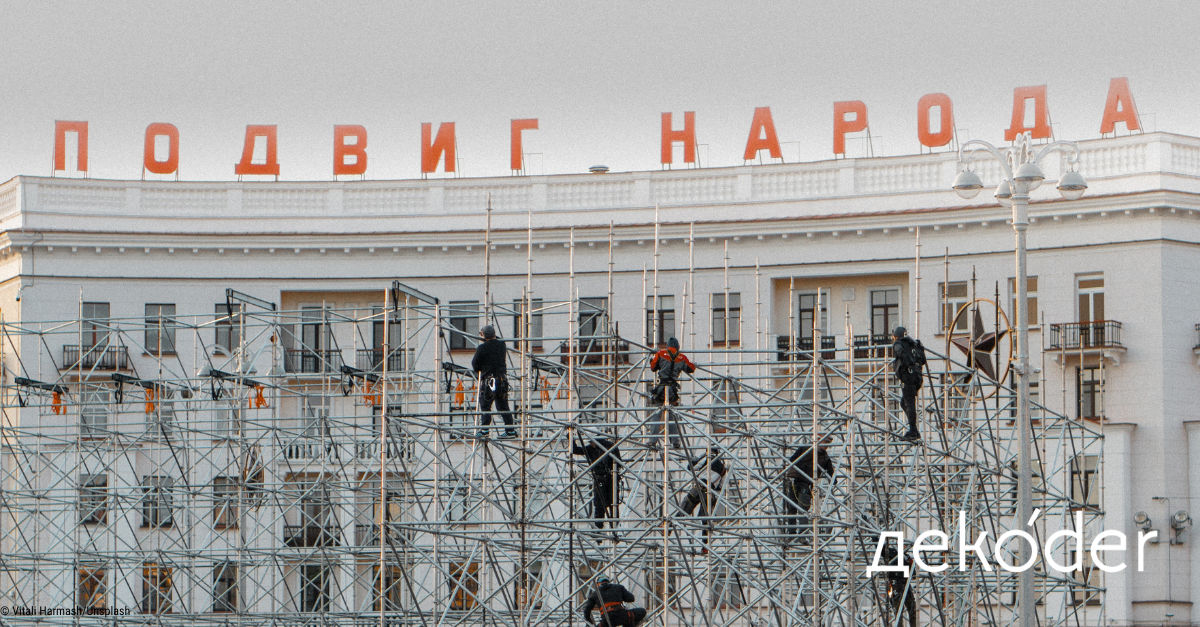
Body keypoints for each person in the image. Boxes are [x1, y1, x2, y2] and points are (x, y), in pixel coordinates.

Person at [781, 437, 835, 538]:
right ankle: (792, 533)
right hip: (794, 479)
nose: (826, 446)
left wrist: (833, 480)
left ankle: (802, 534)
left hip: (806, 483)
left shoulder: (824, 456)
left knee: (803, 508)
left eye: (827, 444)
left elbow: (830, 471)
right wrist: (802, 468)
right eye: (824, 443)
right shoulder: (805, 449)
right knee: (791, 508)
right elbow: (793, 459)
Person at [472, 325, 516, 439]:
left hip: (489, 381)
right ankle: (510, 430)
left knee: (485, 405)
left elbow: (475, 365)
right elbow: (498, 339)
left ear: (483, 335)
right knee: (502, 405)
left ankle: (485, 430)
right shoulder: (502, 344)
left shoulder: (482, 348)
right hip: (501, 380)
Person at [679, 448, 728, 552]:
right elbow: (722, 486)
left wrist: (696, 459)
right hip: (710, 493)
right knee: (706, 520)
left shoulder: (706, 459)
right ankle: (705, 546)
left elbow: (691, 467)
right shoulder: (723, 469)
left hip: (699, 488)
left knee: (685, 507)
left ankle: (669, 526)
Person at [572, 436, 621, 529]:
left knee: (613, 504)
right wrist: (571, 440)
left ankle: (614, 527)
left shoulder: (609, 446)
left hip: (611, 479)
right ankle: (598, 530)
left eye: (591, 441)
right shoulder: (591, 448)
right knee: (599, 506)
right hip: (599, 479)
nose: (590, 444)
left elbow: (618, 462)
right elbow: (577, 450)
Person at [891, 326, 925, 441]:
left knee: (909, 403)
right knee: (904, 402)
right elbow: (923, 360)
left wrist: (906, 364)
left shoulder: (898, 343)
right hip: (917, 377)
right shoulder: (914, 345)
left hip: (908, 377)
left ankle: (913, 431)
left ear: (896, 336)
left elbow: (901, 353)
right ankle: (913, 428)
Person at [582, 574, 646, 627]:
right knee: (642, 611)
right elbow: (631, 598)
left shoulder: (595, 593)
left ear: (597, 584)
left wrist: (589, 620)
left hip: (607, 621)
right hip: (622, 616)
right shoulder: (619, 587)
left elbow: (586, 610)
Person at [649, 337, 695, 407]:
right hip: (672, 390)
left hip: (661, 388)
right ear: (678, 347)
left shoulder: (660, 354)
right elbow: (691, 369)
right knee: (671, 410)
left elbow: (653, 368)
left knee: (657, 409)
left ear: (667, 346)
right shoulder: (682, 357)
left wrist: (652, 362)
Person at [880, 544, 917, 627]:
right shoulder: (891, 552)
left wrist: (911, 564)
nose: (903, 546)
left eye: (904, 545)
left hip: (905, 584)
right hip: (895, 584)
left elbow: (913, 575)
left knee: (912, 608)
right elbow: (881, 549)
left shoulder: (906, 557)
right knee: (898, 609)